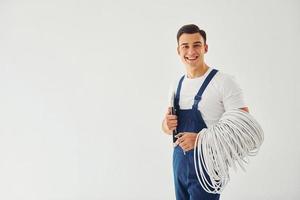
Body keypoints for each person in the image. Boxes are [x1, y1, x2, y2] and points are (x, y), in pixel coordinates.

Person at [161, 24, 249, 200]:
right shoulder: (176, 85)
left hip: (206, 166)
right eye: (185, 46)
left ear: (205, 47)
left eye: (197, 45)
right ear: (178, 50)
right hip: (179, 164)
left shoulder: (224, 82)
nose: (191, 51)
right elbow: (167, 128)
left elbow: (244, 127)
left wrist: (200, 139)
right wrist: (165, 125)